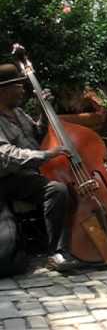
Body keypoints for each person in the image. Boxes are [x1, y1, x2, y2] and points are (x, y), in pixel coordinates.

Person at [0, 63, 75, 271]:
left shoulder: (19, 113)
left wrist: (44, 110)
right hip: (7, 178)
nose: (23, 90)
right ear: (4, 91)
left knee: (64, 186)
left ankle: (62, 249)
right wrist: (46, 155)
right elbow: (7, 156)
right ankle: (55, 252)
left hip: (29, 173)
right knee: (56, 189)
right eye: (18, 86)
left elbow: (38, 134)